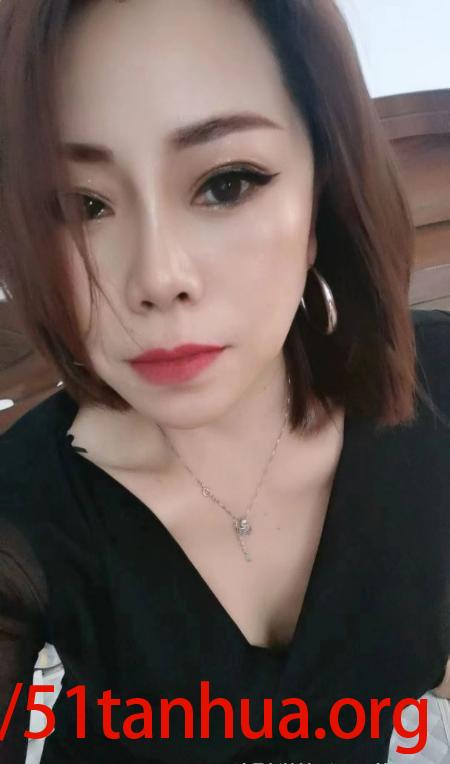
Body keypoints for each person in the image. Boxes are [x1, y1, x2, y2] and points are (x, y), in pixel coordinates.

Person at [0, 0, 448, 762]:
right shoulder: (23, 514)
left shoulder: (434, 387)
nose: (157, 277)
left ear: (321, 190)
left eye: (227, 183)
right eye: (82, 205)